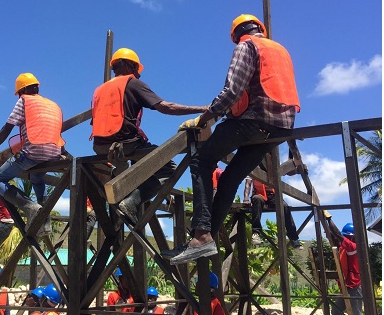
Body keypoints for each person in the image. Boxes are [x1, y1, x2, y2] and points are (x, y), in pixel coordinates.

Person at [165, 14, 300, 264]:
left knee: (203, 161)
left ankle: (203, 234)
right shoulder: (280, 50)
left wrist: (204, 119)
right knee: (231, 178)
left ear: (236, 34)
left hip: (253, 122)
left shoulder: (246, 46)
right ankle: (204, 241)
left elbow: (232, 92)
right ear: (260, 28)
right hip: (281, 129)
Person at [90, 47, 207, 225]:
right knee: (169, 169)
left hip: (100, 147)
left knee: (131, 170)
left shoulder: (99, 90)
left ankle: (121, 200)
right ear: (131, 65)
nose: (138, 74)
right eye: (137, 69)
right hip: (126, 144)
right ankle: (132, 202)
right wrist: (203, 109)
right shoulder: (133, 83)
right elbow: (165, 107)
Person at [0, 73, 65, 236]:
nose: (19, 96)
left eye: (19, 93)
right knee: (37, 178)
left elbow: (7, 128)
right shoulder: (54, 105)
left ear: (24, 90)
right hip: (55, 152)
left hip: (34, 152)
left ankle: (30, 207)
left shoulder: (25, 101)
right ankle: (45, 222)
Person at [243, 176, 301, 248]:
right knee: (257, 199)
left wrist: (297, 169)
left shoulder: (272, 168)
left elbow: (289, 172)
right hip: (259, 195)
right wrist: (246, 199)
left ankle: (293, 238)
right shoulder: (252, 168)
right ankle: (256, 233)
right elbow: (248, 184)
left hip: (273, 196)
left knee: (285, 206)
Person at [324, 215, 363, 315]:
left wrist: (329, 220)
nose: (344, 238)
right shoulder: (344, 248)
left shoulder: (353, 247)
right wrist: (327, 227)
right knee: (336, 310)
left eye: (346, 236)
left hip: (354, 286)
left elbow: (338, 235)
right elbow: (335, 237)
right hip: (346, 285)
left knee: (356, 312)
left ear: (352, 237)